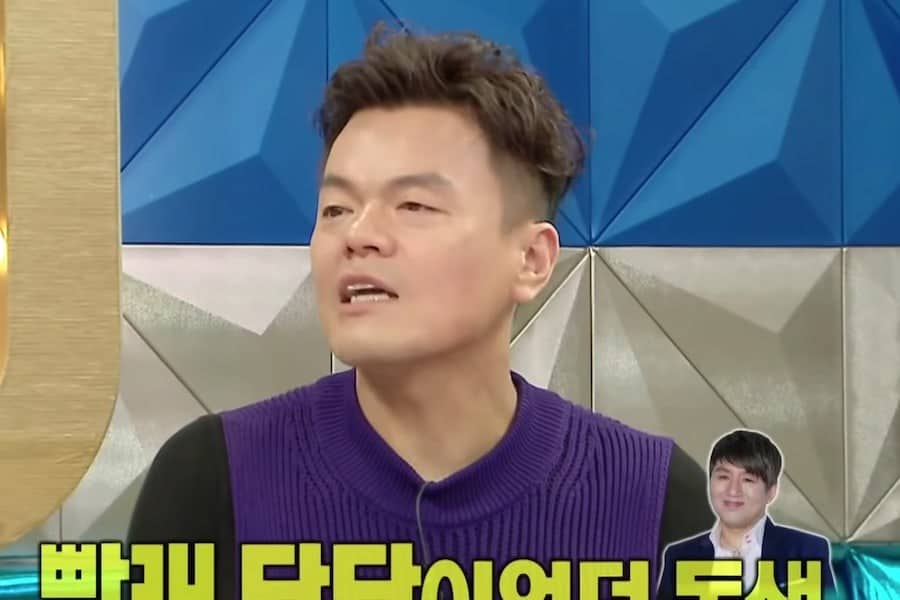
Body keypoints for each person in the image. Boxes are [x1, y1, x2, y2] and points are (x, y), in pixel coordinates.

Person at [127, 23, 714, 598]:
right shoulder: (213, 480)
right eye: (335, 209)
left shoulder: (662, 503)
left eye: (413, 205)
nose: (358, 235)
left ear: (532, 259)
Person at [656, 429, 836, 599]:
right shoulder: (679, 556)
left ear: (771, 491)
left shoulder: (806, 551)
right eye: (723, 477)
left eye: (748, 480)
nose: (733, 490)